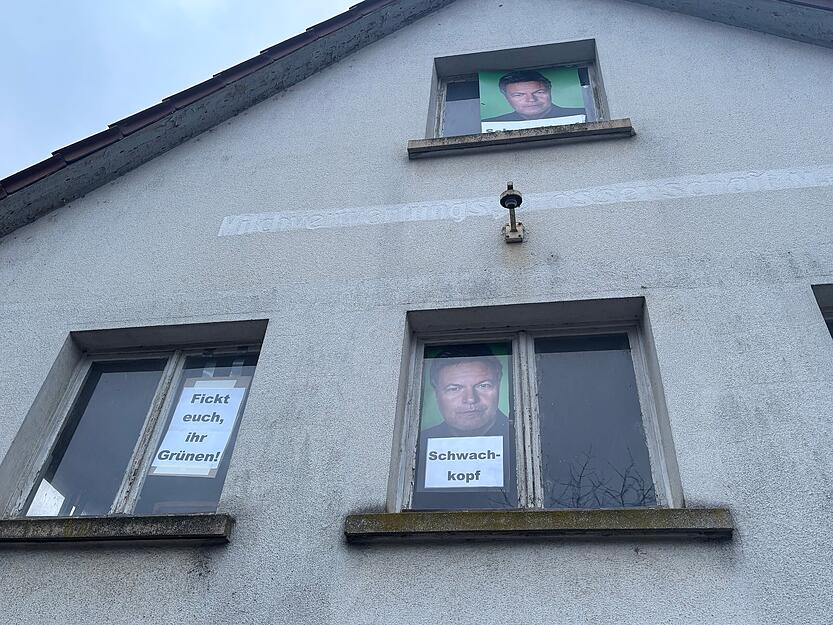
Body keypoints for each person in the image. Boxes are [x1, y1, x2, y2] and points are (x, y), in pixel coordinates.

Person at [412, 346, 517, 510]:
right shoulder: (416, 449)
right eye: (454, 388)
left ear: (499, 383)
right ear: (436, 393)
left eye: (483, 385)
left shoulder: (522, 444)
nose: (470, 399)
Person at [483, 69, 585, 122]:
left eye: (539, 92)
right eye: (519, 95)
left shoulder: (583, 115)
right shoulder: (491, 124)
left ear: (549, 91)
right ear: (506, 97)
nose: (531, 99)